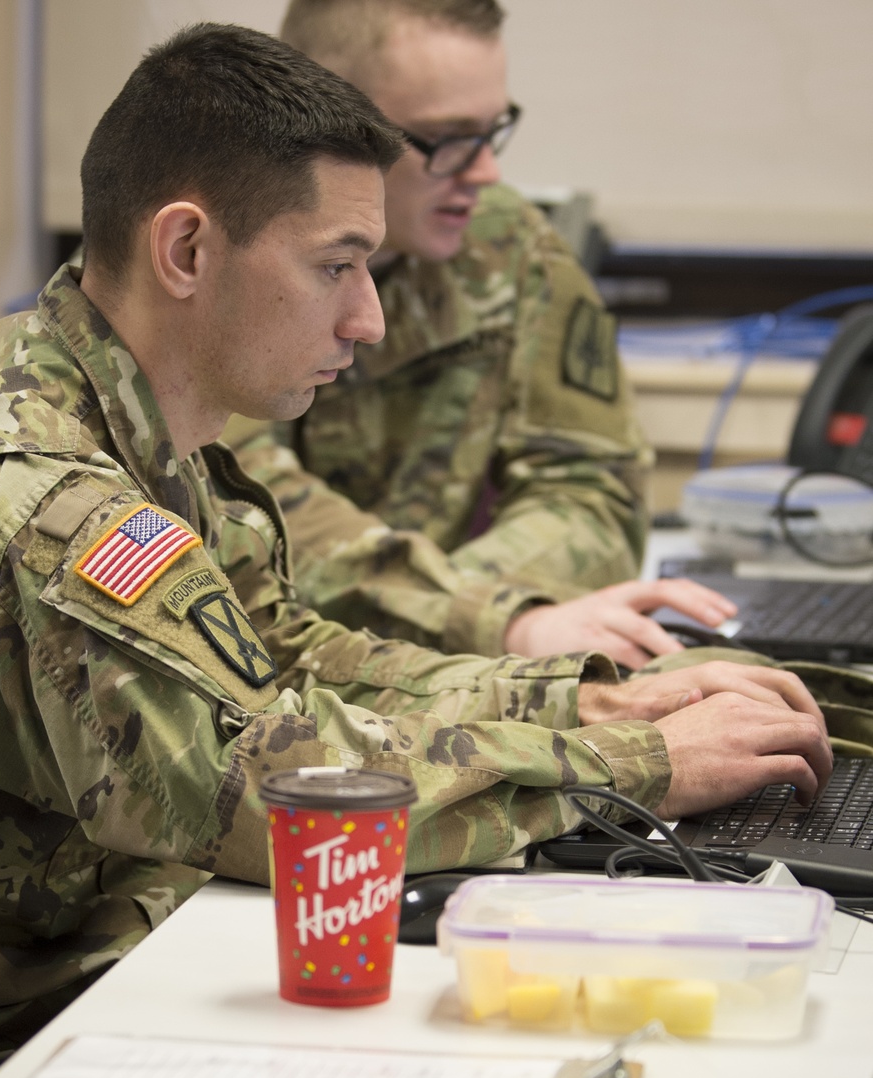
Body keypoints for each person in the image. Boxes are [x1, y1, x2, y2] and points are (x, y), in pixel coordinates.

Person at [0, 23, 829, 1078]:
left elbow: (285, 656)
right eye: (335, 267)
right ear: (186, 248)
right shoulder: (39, 505)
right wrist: (641, 770)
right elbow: (262, 794)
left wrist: (592, 702)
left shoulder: (119, 409)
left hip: (110, 961)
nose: (367, 318)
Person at [227, 0, 731, 670]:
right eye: (447, 137)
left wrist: (481, 615)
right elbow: (244, 520)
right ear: (319, 121)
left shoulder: (507, 246)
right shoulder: (209, 268)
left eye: (494, 130)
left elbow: (591, 493)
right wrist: (489, 617)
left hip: (453, 674)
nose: (487, 171)